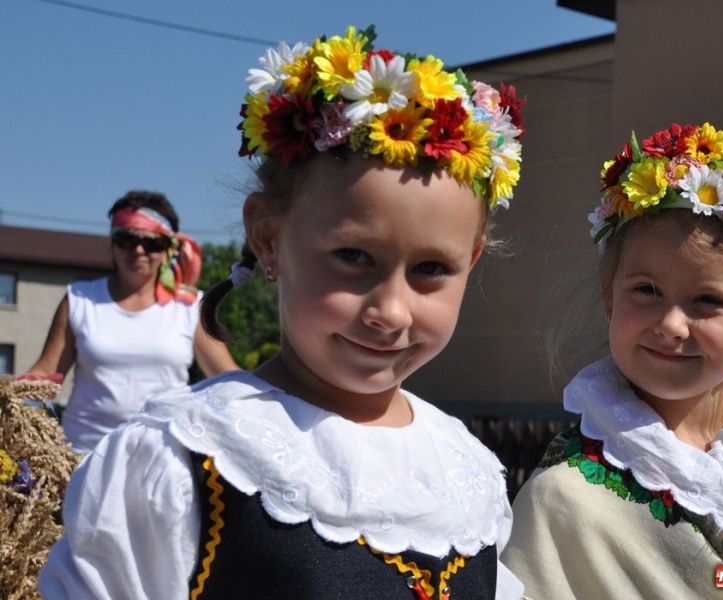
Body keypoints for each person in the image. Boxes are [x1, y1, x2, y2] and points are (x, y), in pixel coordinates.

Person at [39, 25, 527, 599]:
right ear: (268, 239)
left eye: (430, 270)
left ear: (470, 263)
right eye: (353, 257)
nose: (390, 312)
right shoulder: (185, 458)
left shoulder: (468, 473)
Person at [501, 123, 723, 599]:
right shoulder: (564, 501)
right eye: (646, 290)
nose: (671, 324)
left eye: (707, 299)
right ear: (610, 294)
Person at [22, 190, 239, 454]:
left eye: (152, 243)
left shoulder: (190, 306)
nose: (138, 250)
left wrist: (282, 395)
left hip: (164, 459)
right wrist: (10, 399)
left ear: (168, 250)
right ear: (112, 245)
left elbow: (228, 380)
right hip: (84, 456)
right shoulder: (80, 299)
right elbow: (45, 376)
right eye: (127, 239)